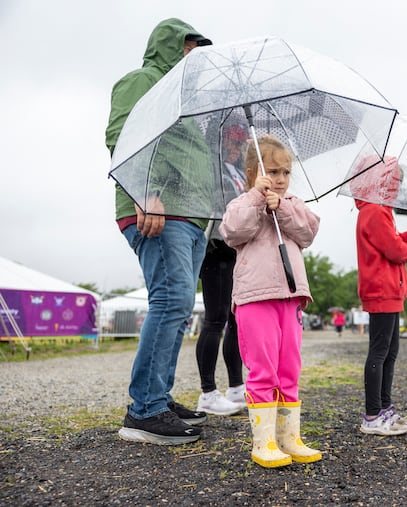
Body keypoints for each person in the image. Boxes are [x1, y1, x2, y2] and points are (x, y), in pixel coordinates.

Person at [105, 18, 213, 445]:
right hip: (156, 209)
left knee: (180, 305)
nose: (196, 57)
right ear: (174, 46)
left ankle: (159, 398)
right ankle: (143, 410)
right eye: (191, 48)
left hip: (190, 215)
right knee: (170, 300)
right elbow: (122, 134)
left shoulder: (186, 99)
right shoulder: (143, 81)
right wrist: (144, 189)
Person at [220, 136, 321, 468]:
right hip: (255, 298)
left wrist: (285, 208)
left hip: (290, 297)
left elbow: (308, 232)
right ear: (253, 173)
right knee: (263, 368)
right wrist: (257, 200)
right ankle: (264, 442)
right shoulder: (242, 203)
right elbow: (233, 231)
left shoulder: (292, 202)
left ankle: (289, 437)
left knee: (289, 367)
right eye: (273, 171)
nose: (280, 179)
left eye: (286, 172)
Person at [350, 154, 407, 436]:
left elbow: (396, 241)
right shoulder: (374, 212)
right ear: (378, 180)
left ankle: (384, 409)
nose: (396, 187)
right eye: (392, 180)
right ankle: (373, 414)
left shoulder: (380, 212)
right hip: (381, 291)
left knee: (389, 352)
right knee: (379, 353)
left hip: (389, 292)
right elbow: (396, 251)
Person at [195, 124, 249, 416]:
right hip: (215, 248)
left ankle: (236, 386)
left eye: (241, 143)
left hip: (237, 251)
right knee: (214, 320)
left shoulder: (241, 172)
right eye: (232, 140)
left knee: (235, 320)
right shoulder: (212, 168)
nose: (236, 147)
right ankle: (207, 392)